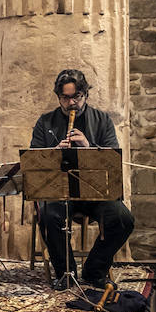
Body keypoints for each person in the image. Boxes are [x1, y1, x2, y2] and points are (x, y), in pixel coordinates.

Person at [29, 68, 135, 288]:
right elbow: (34, 160)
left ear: (85, 94)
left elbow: (111, 157)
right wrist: (56, 151)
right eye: (65, 98)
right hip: (58, 192)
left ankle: (95, 269)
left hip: (94, 191)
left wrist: (88, 148)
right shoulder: (45, 122)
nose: (72, 103)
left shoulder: (102, 120)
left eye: (77, 97)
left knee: (123, 218)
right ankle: (65, 273)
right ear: (58, 97)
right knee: (49, 215)